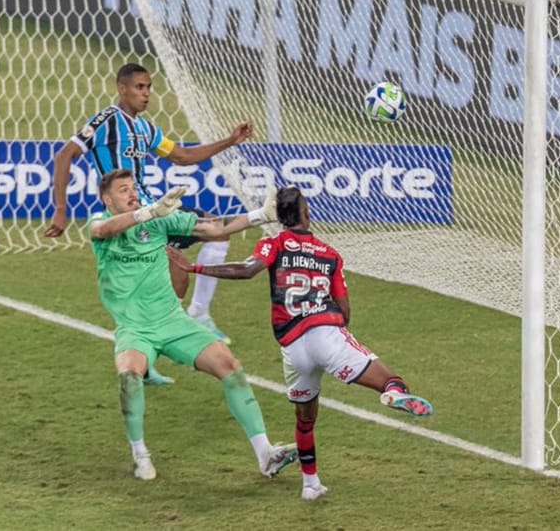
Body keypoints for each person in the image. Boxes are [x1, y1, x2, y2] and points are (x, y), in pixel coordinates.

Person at [166, 186, 433, 501]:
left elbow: (247, 270)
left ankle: (310, 484)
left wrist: (195, 267)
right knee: (390, 379)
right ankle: (393, 395)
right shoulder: (329, 254)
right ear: (306, 213)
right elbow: (344, 312)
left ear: (279, 217)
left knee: (305, 420)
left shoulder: (273, 244)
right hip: (325, 333)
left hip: (293, 348)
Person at [90, 168, 297, 481]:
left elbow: (213, 228)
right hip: (134, 328)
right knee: (130, 377)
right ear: (107, 199)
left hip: (173, 322)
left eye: (133, 187)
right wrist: (147, 211)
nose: (132, 193)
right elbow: (104, 230)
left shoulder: (161, 221)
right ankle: (140, 453)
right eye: (123, 190)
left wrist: (261, 215)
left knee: (231, 367)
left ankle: (266, 453)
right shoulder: (99, 222)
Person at [44, 62, 243, 355]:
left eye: (149, 87)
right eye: (139, 87)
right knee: (183, 268)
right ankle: (166, 334)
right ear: (122, 89)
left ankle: (179, 326)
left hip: (155, 211)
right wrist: (61, 208)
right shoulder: (107, 120)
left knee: (206, 243)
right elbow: (65, 155)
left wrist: (230, 140)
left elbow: (183, 156)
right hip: (131, 220)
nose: (146, 93)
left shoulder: (145, 128)